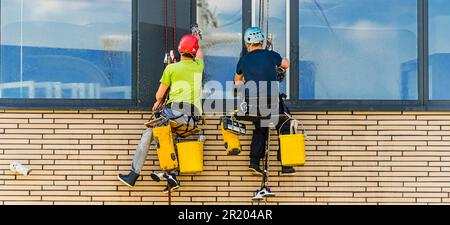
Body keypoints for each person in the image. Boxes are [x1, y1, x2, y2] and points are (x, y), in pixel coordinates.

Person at [118, 34, 204, 192]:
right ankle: (171, 176)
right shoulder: (199, 66)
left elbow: (159, 95)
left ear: (179, 51)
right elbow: (200, 54)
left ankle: (133, 174)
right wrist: (196, 38)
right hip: (193, 119)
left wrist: (157, 102)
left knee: (151, 131)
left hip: (176, 113)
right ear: (194, 51)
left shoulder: (171, 68)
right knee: (167, 134)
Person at [234, 27, 296, 176]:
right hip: (272, 101)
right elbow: (286, 64)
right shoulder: (270, 55)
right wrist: (277, 67)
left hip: (253, 102)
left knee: (260, 127)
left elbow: (237, 82)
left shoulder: (243, 60)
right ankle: (286, 164)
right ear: (261, 42)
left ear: (248, 44)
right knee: (284, 126)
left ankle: (254, 162)